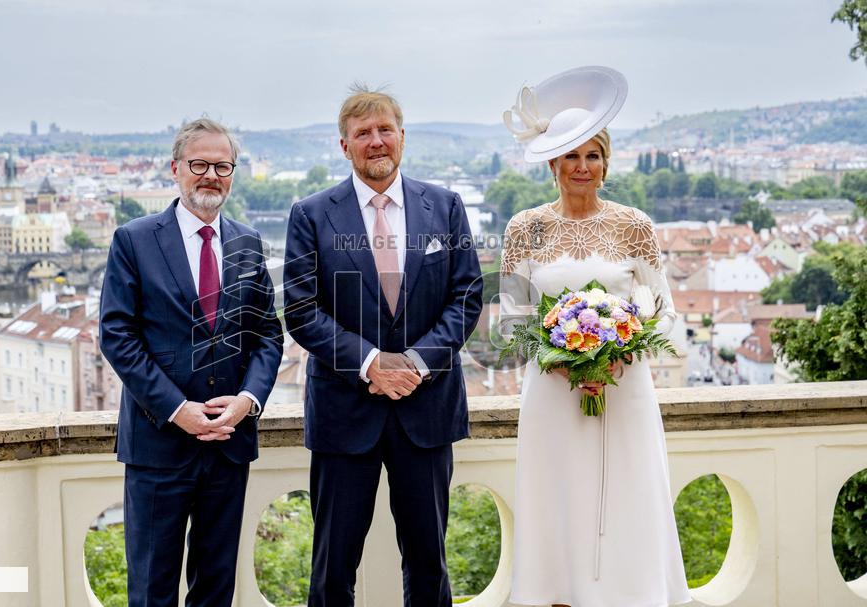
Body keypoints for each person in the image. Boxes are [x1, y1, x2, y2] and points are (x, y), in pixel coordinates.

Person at [283, 85, 484, 606]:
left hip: (428, 411)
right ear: (344, 145)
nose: (376, 142)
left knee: (428, 564)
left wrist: (416, 363)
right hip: (344, 414)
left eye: (385, 130)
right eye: (363, 133)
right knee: (332, 568)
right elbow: (301, 310)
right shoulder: (310, 214)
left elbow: (467, 296)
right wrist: (371, 364)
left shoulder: (445, 206)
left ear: (402, 136)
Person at [498, 67, 691, 607]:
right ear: (553, 163)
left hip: (625, 391)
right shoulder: (523, 229)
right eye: (571, 157)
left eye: (593, 156)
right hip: (551, 394)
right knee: (557, 500)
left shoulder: (635, 225)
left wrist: (618, 353)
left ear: (606, 163)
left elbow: (664, 313)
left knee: (627, 499)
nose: (582, 168)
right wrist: (564, 360)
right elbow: (511, 322)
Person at [100, 118, 283, 607]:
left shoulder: (248, 242)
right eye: (199, 164)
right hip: (158, 447)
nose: (211, 175)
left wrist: (249, 400)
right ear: (176, 168)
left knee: (216, 589)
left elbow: (267, 332)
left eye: (222, 166)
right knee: (151, 590)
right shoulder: (134, 240)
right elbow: (117, 337)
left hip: (228, 445)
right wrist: (176, 408)